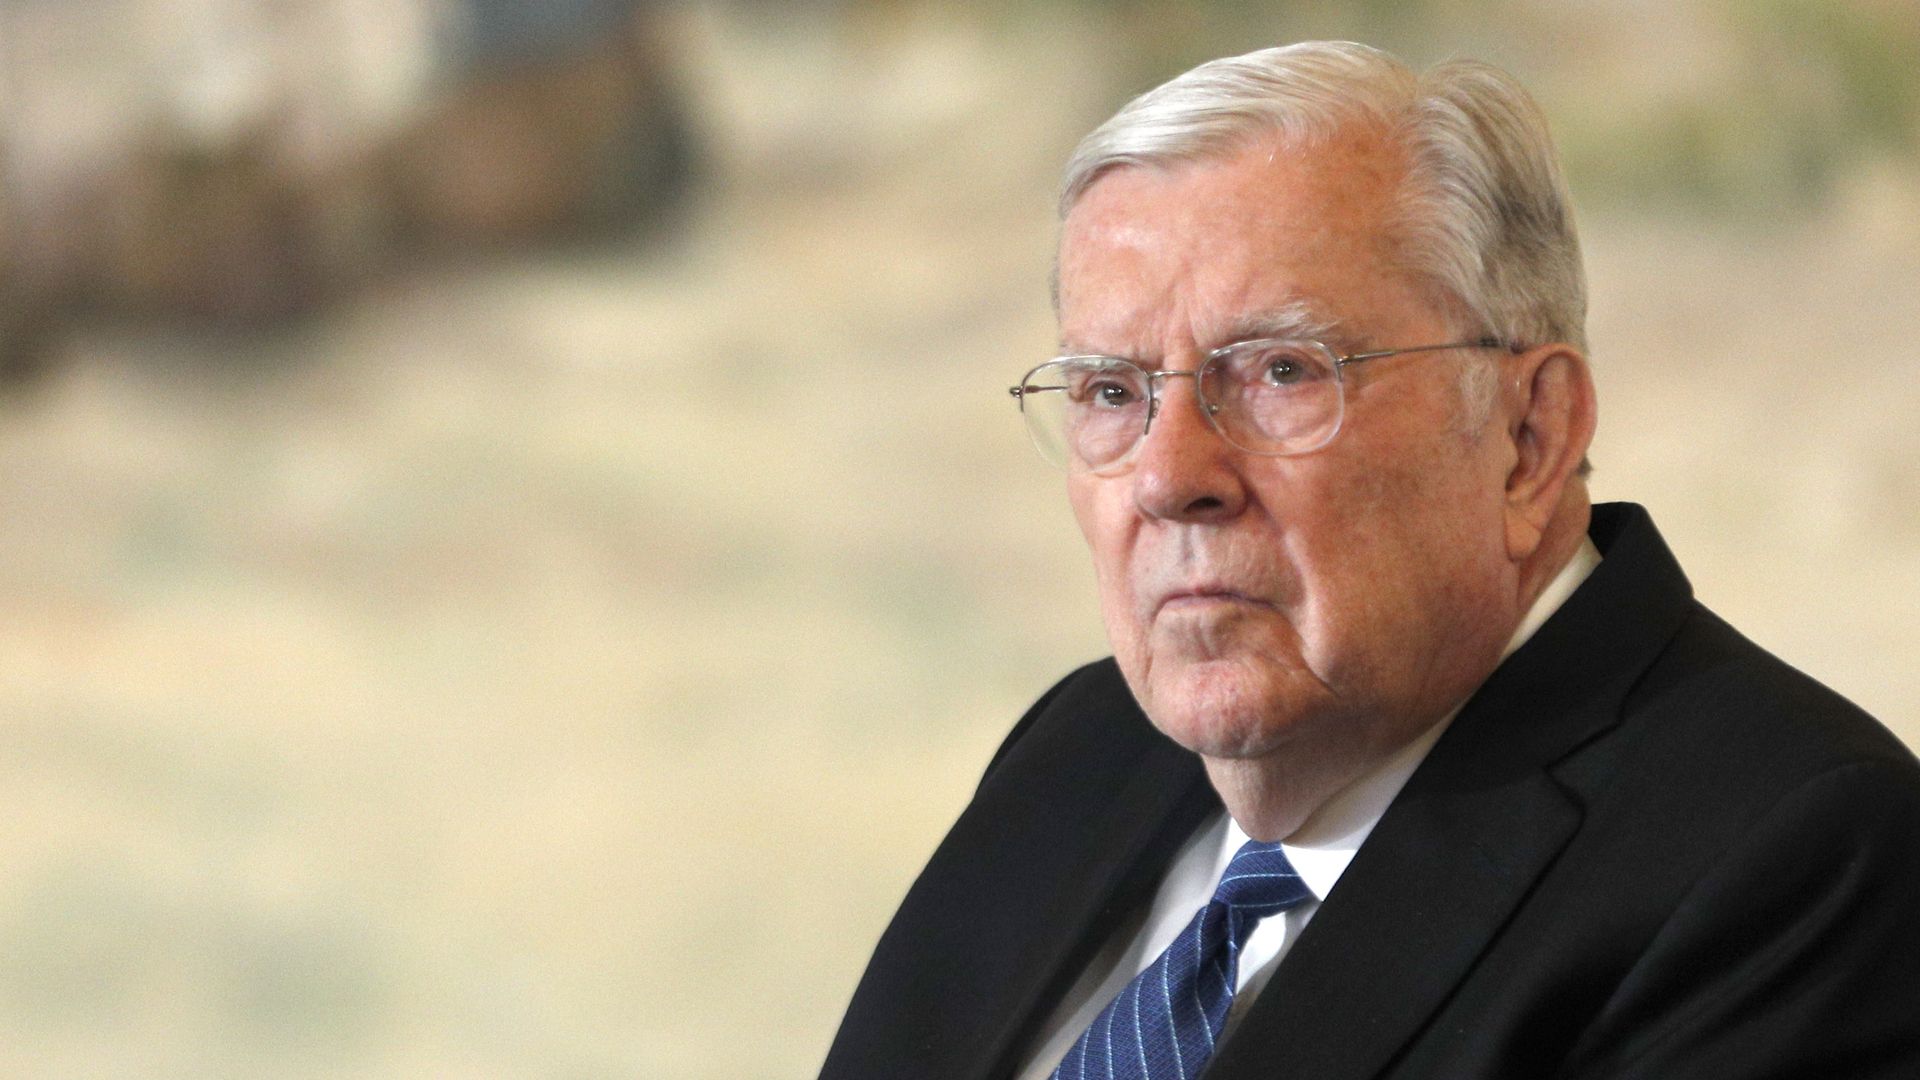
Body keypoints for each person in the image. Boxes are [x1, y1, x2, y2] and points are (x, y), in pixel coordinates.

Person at [818, 41, 1920, 1080]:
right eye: (1112, 392)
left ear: (1529, 437)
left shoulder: (1801, 858)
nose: (1166, 477)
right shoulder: (1082, 749)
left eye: (1279, 373)